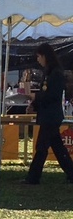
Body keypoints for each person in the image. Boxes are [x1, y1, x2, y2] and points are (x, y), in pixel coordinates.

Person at [22, 42, 73, 184]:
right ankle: (71, 172)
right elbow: (44, 93)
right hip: (47, 115)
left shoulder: (56, 73)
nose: (37, 59)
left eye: (38, 56)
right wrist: (34, 105)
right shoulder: (49, 72)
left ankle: (33, 178)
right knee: (57, 147)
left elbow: (52, 96)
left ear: (45, 56)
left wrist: (35, 97)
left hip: (51, 116)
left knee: (41, 148)